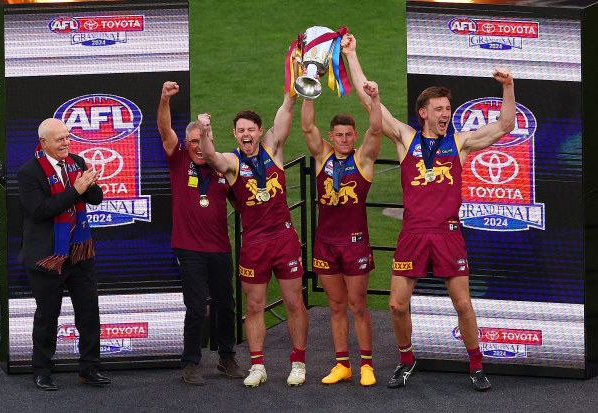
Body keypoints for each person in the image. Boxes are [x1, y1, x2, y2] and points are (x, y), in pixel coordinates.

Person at [341, 34, 516, 391]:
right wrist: (351, 54)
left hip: (448, 232)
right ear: (423, 113)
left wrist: (509, 87)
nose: (445, 114)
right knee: (395, 304)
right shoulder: (406, 138)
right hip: (414, 233)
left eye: (448, 109)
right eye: (438, 109)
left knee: (463, 304)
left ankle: (476, 365)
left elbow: (505, 125)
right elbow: (367, 100)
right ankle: (407, 360)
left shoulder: (461, 142)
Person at [199, 92, 309, 388]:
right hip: (255, 243)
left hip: (284, 237)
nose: (246, 134)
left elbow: (287, 107)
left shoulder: (273, 147)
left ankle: (298, 362)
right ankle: (257, 365)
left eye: (251, 129)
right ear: (235, 135)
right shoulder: (233, 161)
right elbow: (210, 157)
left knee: (294, 302)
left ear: (261, 131)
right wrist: (205, 130)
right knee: (254, 306)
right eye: (241, 130)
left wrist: (295, 86)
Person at [157, 81, 245, 385]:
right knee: (196, 307)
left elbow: (243, 203)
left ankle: (226, 357)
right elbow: (165, 130)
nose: (196, 146)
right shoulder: (178, 159)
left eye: (201, 140)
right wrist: (165, 99)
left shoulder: (222, 167)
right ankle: (191, 362)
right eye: (192, 140)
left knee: (226, 304)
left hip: (220, 248)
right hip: (189, 248)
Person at [18, 118, 109, 391]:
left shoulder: (76, 162)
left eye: (68, 137)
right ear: (44, 142)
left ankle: (89, 368)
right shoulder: (29, 172)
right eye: (60, 139)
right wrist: (76, 190)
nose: (66, 143)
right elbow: (41, 210)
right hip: (47, 257)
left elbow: (95, 199)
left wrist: (91, 185)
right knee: (47, 316)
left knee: (89, 313)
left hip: (79, 254)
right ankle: (42, 370)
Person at [301, 81, 381, 386]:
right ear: (331, 137)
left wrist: (374, 100)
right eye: (339, 135)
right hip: (325, 245)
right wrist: (308, 91)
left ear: (355, 136)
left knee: (358, 306)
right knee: (335, 306)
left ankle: (367, 365)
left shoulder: (363, 159)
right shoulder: (323, 157)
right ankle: (343, 364)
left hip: (355, 246)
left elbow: (376, 130)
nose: (344, 139)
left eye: (349, 134)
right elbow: (307, 127)